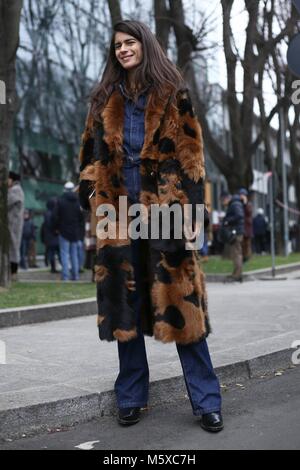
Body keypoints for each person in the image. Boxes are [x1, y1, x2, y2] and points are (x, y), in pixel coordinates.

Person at [78, 20, 223, 432]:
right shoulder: (104, 99)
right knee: (127, 308)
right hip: (119, 214)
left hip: (166, 212)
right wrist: (92, 194)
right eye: (118, 46)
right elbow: (88, 155)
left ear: (146, 45)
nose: (123, 50)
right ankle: (131, 396)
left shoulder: (172, 94)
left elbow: (192, 154)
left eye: (130, 43)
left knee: (182, 306)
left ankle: (207, 400)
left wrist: (195, 211)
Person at [52, 181, 84, 281]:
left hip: (63, 231)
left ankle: (65, 276)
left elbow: (55, 216)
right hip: (74, 232)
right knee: (74, 255)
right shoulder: (77, 202)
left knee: (64, 254)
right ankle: (75, 276)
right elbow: (80, 218)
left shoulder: (60, 201)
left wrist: (56, 228)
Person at [221, 191, 245, 282]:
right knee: (236, 253)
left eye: (223, 201)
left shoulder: (235, 204)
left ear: (226, 198)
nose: (223, 203)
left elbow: (239, 215)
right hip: (237, 231)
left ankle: (237, 275)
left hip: (236, 232)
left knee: (236, 254)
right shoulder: (235, 203)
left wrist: (227, 221)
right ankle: (237, 273)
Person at [7, 171, 25, 280]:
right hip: (13, 224)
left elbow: (6, 201)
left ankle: (13, 274)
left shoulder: (15, 190)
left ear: (12, 179)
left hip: (13, 225)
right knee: (13, 248)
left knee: (13, 248)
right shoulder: (15, 189)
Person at [41, 198, 60, 273]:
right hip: (54, 235)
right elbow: (51, 224)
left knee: (51, 252)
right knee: (56, 252)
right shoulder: (52, 213)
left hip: (49, 236)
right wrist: (56, 230)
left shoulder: (46, 213)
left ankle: (53, 267)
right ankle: (53, 268)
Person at [238, 188, 253, 263]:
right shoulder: (239, 204)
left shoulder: (248, 204)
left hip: (247, 227)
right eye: (240, 195)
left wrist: (245, 203)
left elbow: (249, 212)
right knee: (242, 244)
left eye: (242, 195)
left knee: (247, 244)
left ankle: (247, 257)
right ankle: (243, 257)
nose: (241, 196)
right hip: (241, 227)